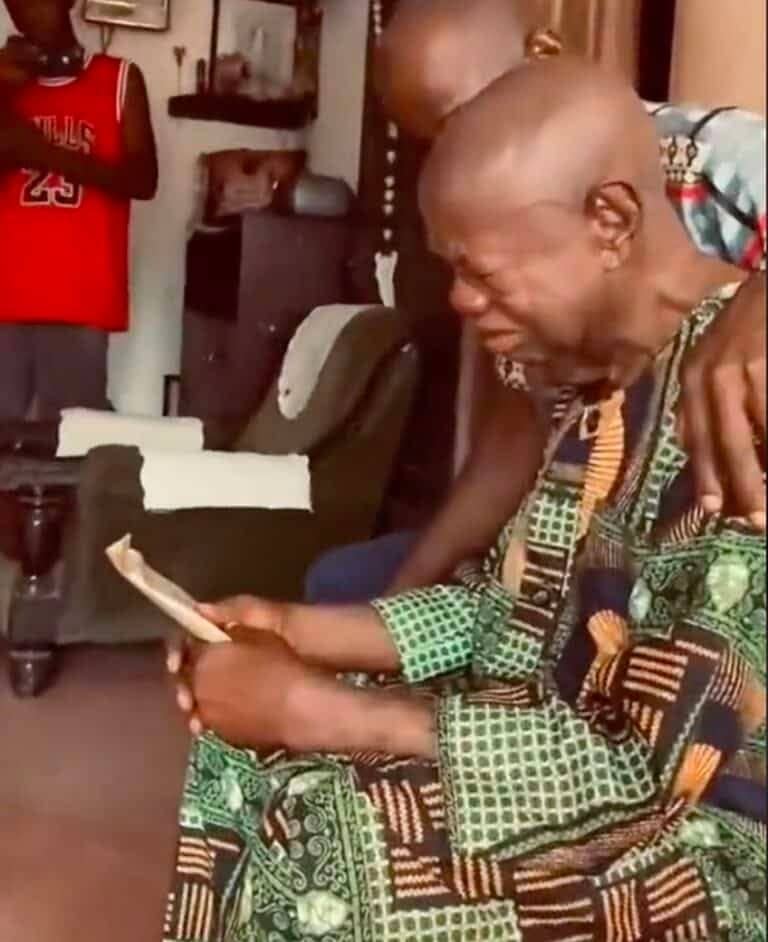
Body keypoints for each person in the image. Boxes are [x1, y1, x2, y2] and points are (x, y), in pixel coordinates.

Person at [164, 58, 765, 941]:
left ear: (610, 222)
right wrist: (293, 628)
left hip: (706, 855)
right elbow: (512, 612)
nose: (458, 300)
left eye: (481, 273)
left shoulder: (739, 394)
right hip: (571, 755)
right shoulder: (604, 382)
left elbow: (666, 776)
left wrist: (321, 711)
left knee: (327, 843)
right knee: (247, 758)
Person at [306, 0, 766, 605]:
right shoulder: (498, 236)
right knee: (346, 583)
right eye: (433, 141)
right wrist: (402, 599)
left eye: (463, 115)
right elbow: (516, 433)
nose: (459, 150)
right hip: (583, 519)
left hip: (697, 541)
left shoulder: (711, 158)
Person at [0, 0, 157, 420]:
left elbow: (143, 180)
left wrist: (44, 154)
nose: (25, 13)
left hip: (79, 295)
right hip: (5, 295)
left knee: (68, 439)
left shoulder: (119, 79)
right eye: (14, 4)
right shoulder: (6, 80)